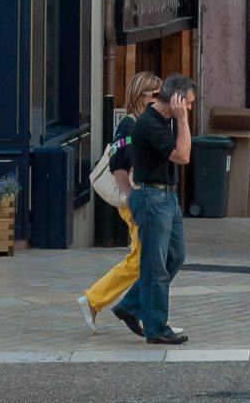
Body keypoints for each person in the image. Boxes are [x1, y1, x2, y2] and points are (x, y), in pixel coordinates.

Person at [78, 72, 187, 336]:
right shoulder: (129, 125)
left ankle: (132, 307)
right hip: (141, 201)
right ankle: (98, 300)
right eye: (156, 94)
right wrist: (131, 199)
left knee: (151, 259)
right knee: (144, 260)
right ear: (142, 97)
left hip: (150, 199)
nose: (163, 99)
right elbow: (118, 166)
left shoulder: (151, 122)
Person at [111, 73, 196, 345]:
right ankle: (156, 328)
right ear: (177, 100)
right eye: (189, 103)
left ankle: (131, 305)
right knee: (155, 266)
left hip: (167, 199)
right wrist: (183, 120)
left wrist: (179, 119)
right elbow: (183, 156)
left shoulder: (164, 120)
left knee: (176, 257)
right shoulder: (150, 123)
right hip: (152, 199)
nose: (190, 109)